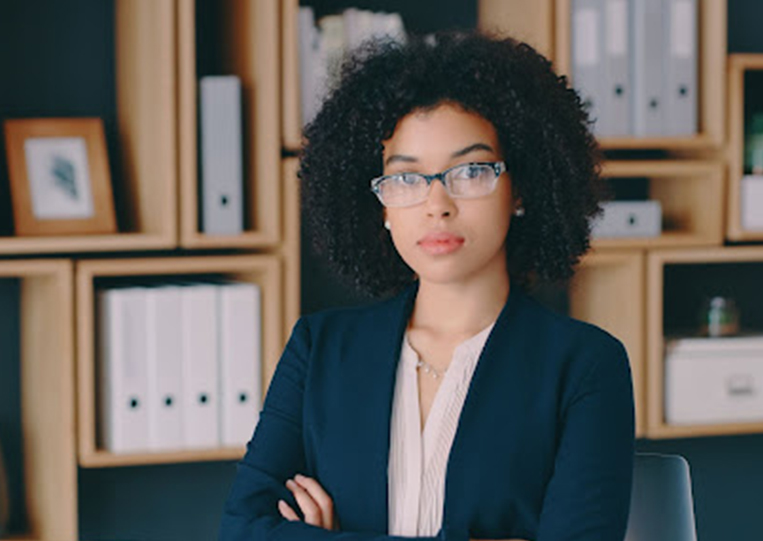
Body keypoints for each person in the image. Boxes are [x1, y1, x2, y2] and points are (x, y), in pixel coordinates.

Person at [218, 29, 635, 541]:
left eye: (470, 171)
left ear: (520, 189)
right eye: (406, 179)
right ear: (383, 209)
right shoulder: (318, 349)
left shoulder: (586, 365)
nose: (437, 204)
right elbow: (242, 530)